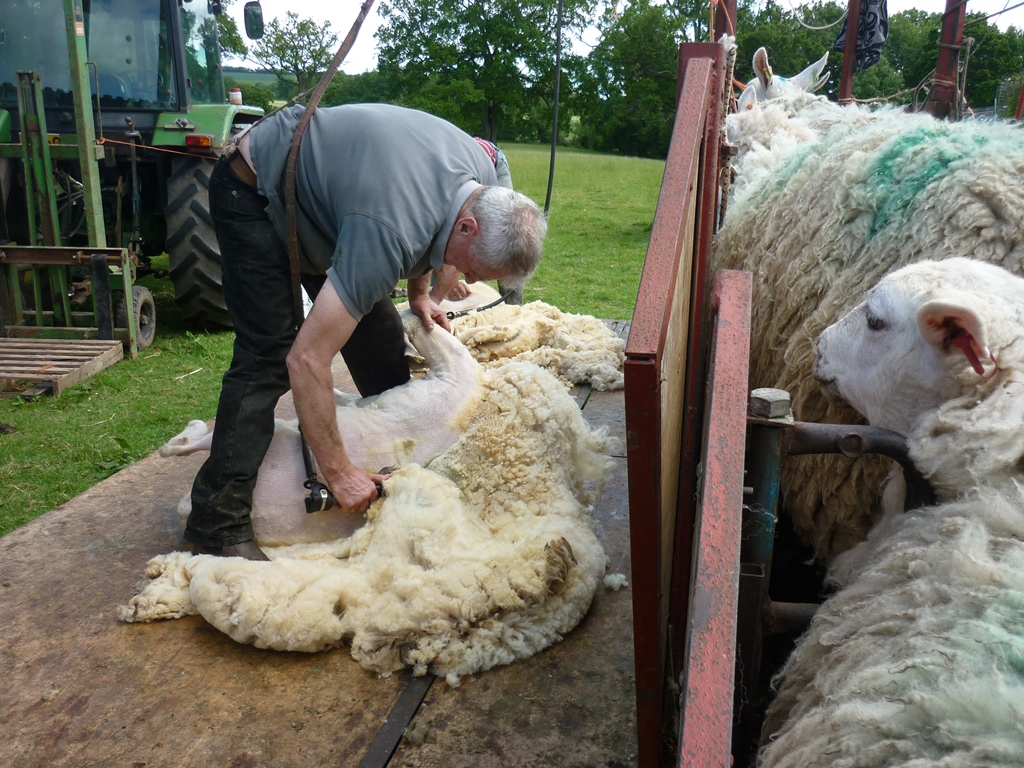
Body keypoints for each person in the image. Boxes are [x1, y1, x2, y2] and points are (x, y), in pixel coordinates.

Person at [185, 103, 547, 560]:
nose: (471, 281)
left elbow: (435, 234)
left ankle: (398, 452)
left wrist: (420, 295)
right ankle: (217, 521)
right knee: (271, 351)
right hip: (257, 188)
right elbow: (308, 359)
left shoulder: (481, 178)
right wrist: (337, 474)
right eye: (476, 268)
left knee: (378, 335)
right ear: (470, 226)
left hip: (336, 207)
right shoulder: (388, 231)